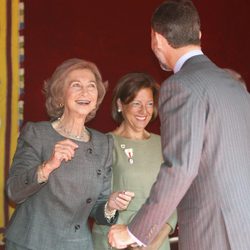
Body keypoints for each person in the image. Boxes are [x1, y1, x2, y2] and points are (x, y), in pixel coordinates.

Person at [108, 1, 250, 250]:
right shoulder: (234, 87)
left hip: (211, 230)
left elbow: (180, 168)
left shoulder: (179, 86)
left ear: (157, 40)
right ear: (199, 35)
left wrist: (135, 232)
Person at [5, 58, 134, 250]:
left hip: (77, 244)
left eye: (91, 86)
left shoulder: (103, 143)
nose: (85, 92)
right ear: (60, 94)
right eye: (76, 85)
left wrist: (111, 205)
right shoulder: (37, 133)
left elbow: (98, 207)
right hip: (32, 242)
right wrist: (47, 166)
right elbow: (13, 191)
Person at [92, 72, 177, 250]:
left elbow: (173, 198)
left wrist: (152, 242)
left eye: (149, 104)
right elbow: (92, 200)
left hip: (156, 242)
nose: (143, 111)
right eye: (136, 103)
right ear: (120, 104)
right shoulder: (103, 144)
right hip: (114, 241)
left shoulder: (164, 144)